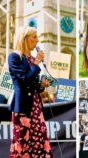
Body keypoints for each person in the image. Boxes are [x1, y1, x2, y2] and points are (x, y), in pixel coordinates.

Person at [8, 26, 53, 157]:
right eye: (34, 37)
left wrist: (41, 85)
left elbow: (32, 85)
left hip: (36, 107)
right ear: (25, 39)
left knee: (39, 139)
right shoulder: (14, 57)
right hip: (23, 107)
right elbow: (24, 81)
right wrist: (38, 62)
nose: (37, 40)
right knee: (22, 140)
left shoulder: (32, 59)